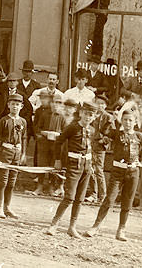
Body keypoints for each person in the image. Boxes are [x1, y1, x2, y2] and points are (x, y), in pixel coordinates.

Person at [83, 109, 142, 241]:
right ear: (121, 121)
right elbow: (103, 132)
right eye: (125, 120)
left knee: (127, 203)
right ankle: (95, 226)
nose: (127, 123)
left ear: (135, 122)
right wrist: (111, 119)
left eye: (130, 120)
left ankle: (121, 230)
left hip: (133, 173)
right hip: (117, 172)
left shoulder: (139, 136)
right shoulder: (116, 134)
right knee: (109, 199)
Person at [45, 101, 98, 238]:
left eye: (91, 115)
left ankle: (72, 227)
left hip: (86, 166)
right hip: (73, 165)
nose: (88, 117)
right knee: (69, 197)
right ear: (81, 113)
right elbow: (59, 141)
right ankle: (54, 225)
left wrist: (91, 164)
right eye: (86, 114)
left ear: (94, 117)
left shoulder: (92, 130)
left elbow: (91, 148)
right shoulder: (72, 127)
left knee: (79, 199)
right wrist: (58, 160)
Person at [0, 93, 27, 219]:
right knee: (3, 181)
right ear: (9, 105)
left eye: (18, 105)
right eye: (13, 104)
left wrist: (23, 154)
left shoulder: (23, 121)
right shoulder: (4, 120)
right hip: (6, 152)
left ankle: (7, 207)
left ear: (21, 106)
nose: (15, 107)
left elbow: (24, 137)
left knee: (12, 182)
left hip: (17, 153)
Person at [86, 94, 115, 203]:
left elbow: (112, 134)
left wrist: (104, 140)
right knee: (90, 169)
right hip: (89, 144)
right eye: (98, 103)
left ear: (106, 106)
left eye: (102, 104)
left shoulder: (108, 117)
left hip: (99, 146)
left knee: (98, 170)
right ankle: (93, 193)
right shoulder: (91, 115)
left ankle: (102, 195)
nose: (100, 106)